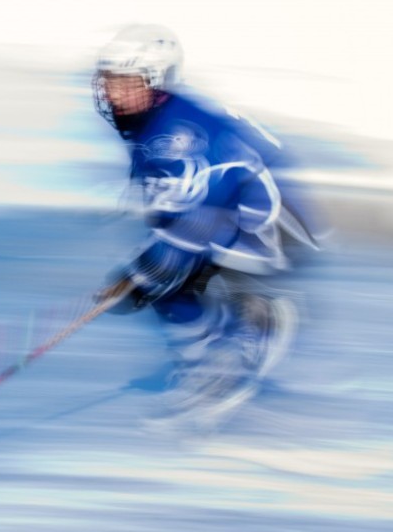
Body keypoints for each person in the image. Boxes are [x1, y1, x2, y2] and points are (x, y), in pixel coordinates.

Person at [90, 24, 322, 429]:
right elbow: (176, 214)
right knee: (162, 281)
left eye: (127, 82)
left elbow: (197, 222)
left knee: (165, 276)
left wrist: (140, 273)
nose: (114, 93)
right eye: (110, 82)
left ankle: (254, 329)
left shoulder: (179, 135)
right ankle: (208, 362)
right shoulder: (153, 119)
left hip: (270, 220)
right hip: (227, 210)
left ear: (156, 82)